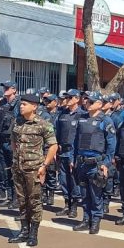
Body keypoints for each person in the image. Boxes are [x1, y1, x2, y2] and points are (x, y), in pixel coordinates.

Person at [8, 93, 58, 246]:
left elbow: (53, 146)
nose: (21, 106)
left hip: (34, 169)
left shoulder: (43, 124)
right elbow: (13, 141)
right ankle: (24, 231)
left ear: (34, 107)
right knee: (22, 201)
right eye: (21, 104)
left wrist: (44, 165)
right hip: (18, 168)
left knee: (34, 201)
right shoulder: (16, 122)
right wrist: (16, 158)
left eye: (24, 104)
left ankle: (33, 234)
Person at [71, 92, 116, 235]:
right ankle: (86, 219)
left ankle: (95, 221)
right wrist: (73, 159)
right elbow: (75, 141)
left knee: (96, 195)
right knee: (84, 194)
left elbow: (111, 145)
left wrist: (106, 163)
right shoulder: (81, 119)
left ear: (99, 104)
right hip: (82, 163)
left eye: (91, 101)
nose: (87, 103)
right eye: (86, 101)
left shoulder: (106, 120)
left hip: (96, 164)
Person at [54, 89, 84, 219]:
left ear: (77, 99)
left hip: (73, 152)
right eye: (66, 97)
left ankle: (74, 207)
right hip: (62, 151)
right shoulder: (62, 114)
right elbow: (57, 132)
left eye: (70, 97)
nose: (67, 100)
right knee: (63, 180)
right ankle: (67, 204)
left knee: (73, 180)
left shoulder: (82, 115)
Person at [0, 81, 21, 209]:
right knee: (5, 171)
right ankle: (10, 197)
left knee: (14, 171)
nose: (4, 89)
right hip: (2, 140)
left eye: (7, 88)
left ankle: (16, 198)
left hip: (13, 141)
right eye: (4, 87)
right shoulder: (1, 103)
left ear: (14, 90)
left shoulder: (18, 104)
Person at [39, 94, 61, 207]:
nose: (47, 103)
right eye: (46, 101)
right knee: (42, 170)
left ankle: (51, 194)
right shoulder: (42, 113)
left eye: (50, 101)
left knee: (51, 171)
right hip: (42, 145)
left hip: (52, 145)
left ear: (55, 102)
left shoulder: (59, 114)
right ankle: (43, 193)